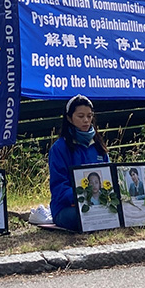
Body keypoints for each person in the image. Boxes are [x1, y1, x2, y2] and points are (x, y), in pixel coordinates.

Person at [48, 95, 110, 231]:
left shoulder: (98, 145)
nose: (86, 120)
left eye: (89, 116)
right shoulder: (59, 148)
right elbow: (58, 187)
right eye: (80, 116)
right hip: (67, 207)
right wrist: (80, 198)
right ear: (69, 118)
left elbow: (108, 178)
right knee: (82, 217)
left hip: (98, 203)